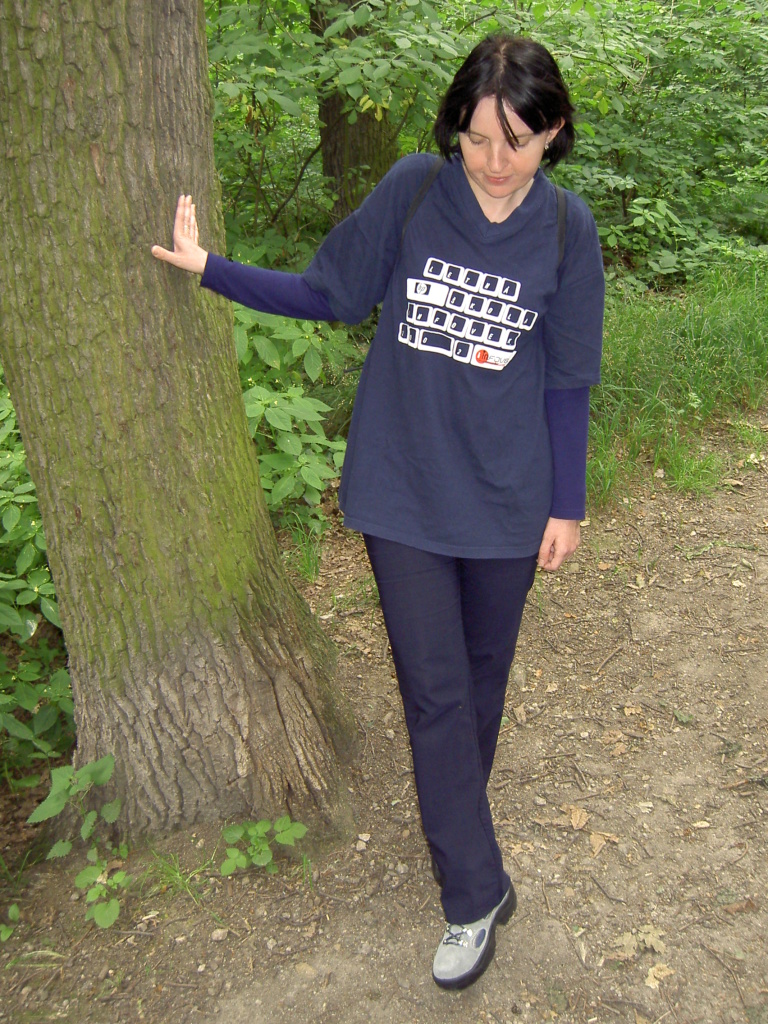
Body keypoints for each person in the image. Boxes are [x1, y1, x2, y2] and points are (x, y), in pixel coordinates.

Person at [152, 33, 604, 990]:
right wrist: (209, 268)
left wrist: (567, 505)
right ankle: (473, 891)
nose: (493, 162)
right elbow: (331, 292)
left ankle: (456, 824)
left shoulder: (568, 231)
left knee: (480, 686)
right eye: (475, 138)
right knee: (435, 691)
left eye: (517, 142)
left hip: (509, 501)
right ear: (454, 130)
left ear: (554, 131)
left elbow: (568, 381)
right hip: (402, 489)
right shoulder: (413, 190)